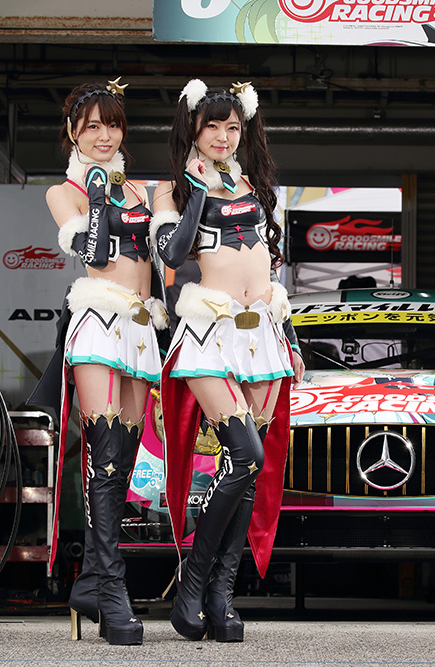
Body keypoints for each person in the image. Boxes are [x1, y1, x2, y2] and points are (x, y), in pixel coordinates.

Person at [151, 79, 298, 643]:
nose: (222, 136)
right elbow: (172, 253)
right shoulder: (171, 191)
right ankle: (192, 583)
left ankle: (220, 595)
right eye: (211, 125)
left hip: (263, 333)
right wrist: (197, 190)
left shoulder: (255, 183)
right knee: (246, 454)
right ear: (192, 127)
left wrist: (290, 337)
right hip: (208, 331)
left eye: (232, 127)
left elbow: (270, 267)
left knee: (249, 468)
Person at [36, 78, 166, 645]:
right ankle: (112, 592)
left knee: (125, 464)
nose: (104, 136)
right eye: (92, 126)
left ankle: (91, 582)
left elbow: (163, 260)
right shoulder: (63, 191)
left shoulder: (142, 189)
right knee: (105, 457)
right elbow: (92, 250)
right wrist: (96, 195)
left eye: (112, 125)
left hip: (141, 328)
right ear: (73, 132)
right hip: (96, 322)